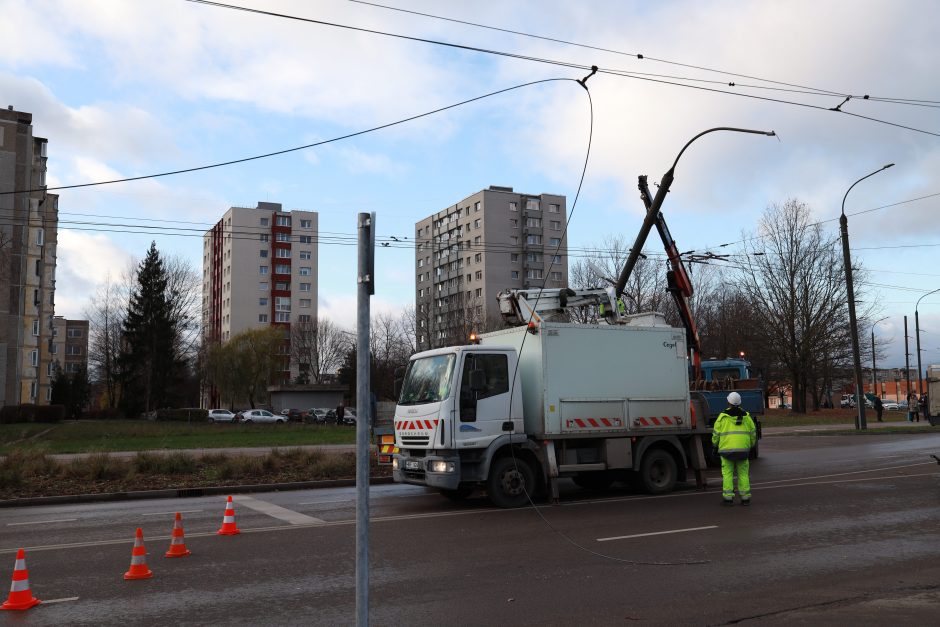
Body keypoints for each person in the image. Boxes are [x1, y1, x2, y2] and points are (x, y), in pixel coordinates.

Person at [711, 391, 758, 506]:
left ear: (728, 402)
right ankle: (745, 498)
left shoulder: (722, 417)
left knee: (727, 474)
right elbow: (753, 434)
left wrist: (714, 445)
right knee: (743, 474)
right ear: (740, 402)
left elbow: (716, 434)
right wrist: (750, 446)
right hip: (743, 451)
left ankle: (728, 499)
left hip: (726, 451)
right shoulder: (747, 417)